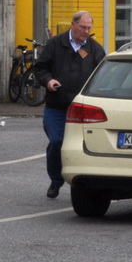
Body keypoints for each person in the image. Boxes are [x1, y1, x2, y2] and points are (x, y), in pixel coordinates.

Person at [33, 10, 107, 198]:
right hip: (57, 106)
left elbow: (102, 77)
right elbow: (40, 68)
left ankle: (84, 183)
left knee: (86, 145)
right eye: (82, 27)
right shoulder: (55, 44)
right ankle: (56, 181)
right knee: (57, 141)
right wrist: (48, 81)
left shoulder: (95, 49)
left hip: (83, 109)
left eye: (89, 28)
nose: (86, 32)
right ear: (73, 25)